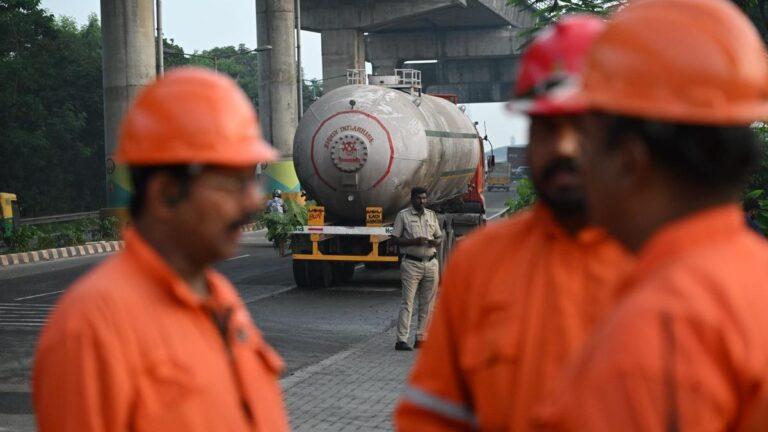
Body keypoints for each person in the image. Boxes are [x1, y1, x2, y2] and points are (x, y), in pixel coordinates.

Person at [534, 0, 768, 430]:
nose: (576, 162)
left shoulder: (652, 339)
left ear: (629, 159)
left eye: (586, 141)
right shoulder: (755, 274)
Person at [395, 16, 633, 431]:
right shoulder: (481, 266)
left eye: (583, 126)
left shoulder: (695, 270)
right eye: (547, 127)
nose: (563, 147)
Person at [33, 68, 289, 432]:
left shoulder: (219, 297)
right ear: (166, 192)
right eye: (234, 183)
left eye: (253, 178)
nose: (253, 201)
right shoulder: (92, 328)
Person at [391, 186, 443, 351]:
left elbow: (439, 235)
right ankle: (401, 340)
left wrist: (437, 242)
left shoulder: (431, 215)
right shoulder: (403, 216)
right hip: (411, 264)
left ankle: (421, 337)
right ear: (412, 199)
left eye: (424, 198)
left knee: (427, 304)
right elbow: (395, 240)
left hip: (431, 263)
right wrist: (414, 241)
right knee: (408, 302)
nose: (422, 201)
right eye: (419, 198)